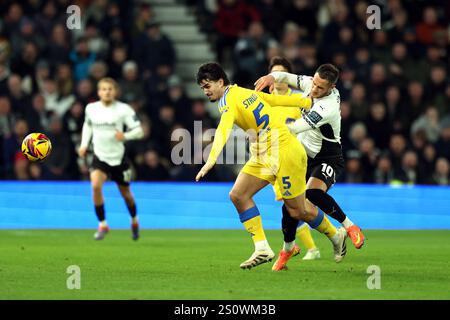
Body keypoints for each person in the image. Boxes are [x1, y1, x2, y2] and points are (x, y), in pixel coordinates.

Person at [195, 62, 347, 271]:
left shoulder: (226, 102)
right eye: (202, 88)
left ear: (221, 82)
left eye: (207, 85)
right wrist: (301, 101)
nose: (205, 91)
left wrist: (211, 159)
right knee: (238, 195)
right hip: (263, 150)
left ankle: (335, 234)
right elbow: (270, 99)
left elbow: (224, 127)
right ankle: (262, 248)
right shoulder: (240, 92)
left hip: (284, 149)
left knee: (298, 210)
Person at [255, 63, 366, 256]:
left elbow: (297, 127)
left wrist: (269, 130)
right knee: (289, 205)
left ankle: (350, 227)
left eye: (320, 87)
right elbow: (288, 77)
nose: (314, 89)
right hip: (303, 156)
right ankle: (287, 249)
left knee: (313, 193)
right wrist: (272, 77)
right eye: (314, 83)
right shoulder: (311, 84)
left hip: (327, 157)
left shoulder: (328, 107)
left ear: (332, 88)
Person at [266, 56, 320, 261]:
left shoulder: (298, 100)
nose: (278, 79)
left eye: (281, 74)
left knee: (293, 205)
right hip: (272, 158)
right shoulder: (266, 100)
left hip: (294, 158)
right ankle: (307, 245)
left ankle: (312, 247)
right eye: (274, 74)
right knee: (294, 206)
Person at [78, 77, 144, 240]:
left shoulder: (124, 109)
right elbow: (88, 126)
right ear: (99, 92)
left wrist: (125, 135)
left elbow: (139, 131)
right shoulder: (91, 109)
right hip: (100, 156)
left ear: (115, 92)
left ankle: (134, 221)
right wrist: (84, 144)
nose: (107, 92)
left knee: (126, 195)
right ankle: (103, 224)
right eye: (103, 89)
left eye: (110, 89)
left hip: (118, 159)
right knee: (95, 186)